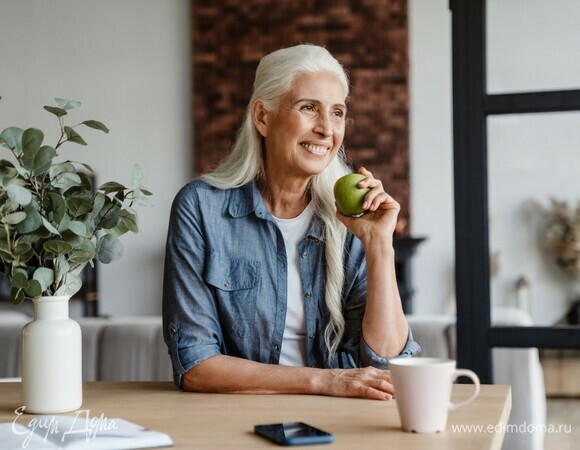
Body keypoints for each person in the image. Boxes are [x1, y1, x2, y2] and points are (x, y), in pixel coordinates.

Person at [162, 44, 420, 401]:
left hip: (343, 420)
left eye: (337, 112)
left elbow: (389, 365)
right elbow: (195, 364)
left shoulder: (353, 218)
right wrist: (324, 381)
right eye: (308, 108)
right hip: (237, 420)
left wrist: (379, 244)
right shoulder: (201, 209)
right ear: (262, 117)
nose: (326, 129)